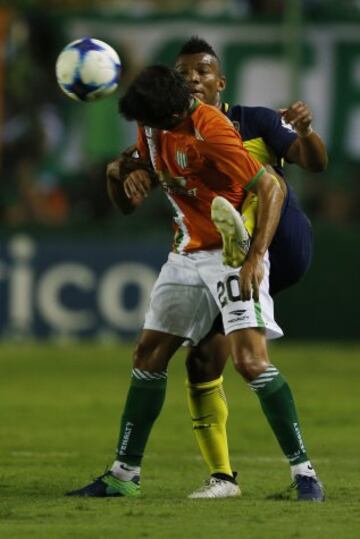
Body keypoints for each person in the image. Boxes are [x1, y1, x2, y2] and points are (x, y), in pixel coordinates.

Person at [67, 64, 324, 501]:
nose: (144, 129)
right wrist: (118, 174)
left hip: (231, 250)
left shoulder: (213, 131)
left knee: (250, 363)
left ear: (172, 114)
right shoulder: (152, 129)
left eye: (150, 121)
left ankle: (305, 475)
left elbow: (272, 189)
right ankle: (124, 475)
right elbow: (128, 204)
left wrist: (256, 257)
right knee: (148, 354)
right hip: (186, 254)